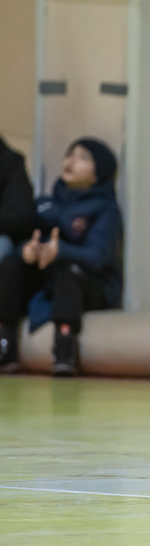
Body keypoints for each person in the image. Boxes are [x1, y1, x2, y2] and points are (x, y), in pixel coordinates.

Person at [0, 137, 123, 376]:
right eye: (70, 154)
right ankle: (5, 343)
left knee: (69, 272)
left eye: (83, 158)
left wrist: (61, 252)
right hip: (49, 280)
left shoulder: (105, 209)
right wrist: (26, 251)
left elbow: (98, 257)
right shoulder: (47, 204)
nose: (72, 161)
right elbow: (29, 239)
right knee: (11, 264)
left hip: (89, 283)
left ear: (98, 173)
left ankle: (64, 347)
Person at [0, 135, 36, 372]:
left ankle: (4, 339)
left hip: (6, 240)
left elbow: (22, 217)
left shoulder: (10, 163)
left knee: (2, 245)